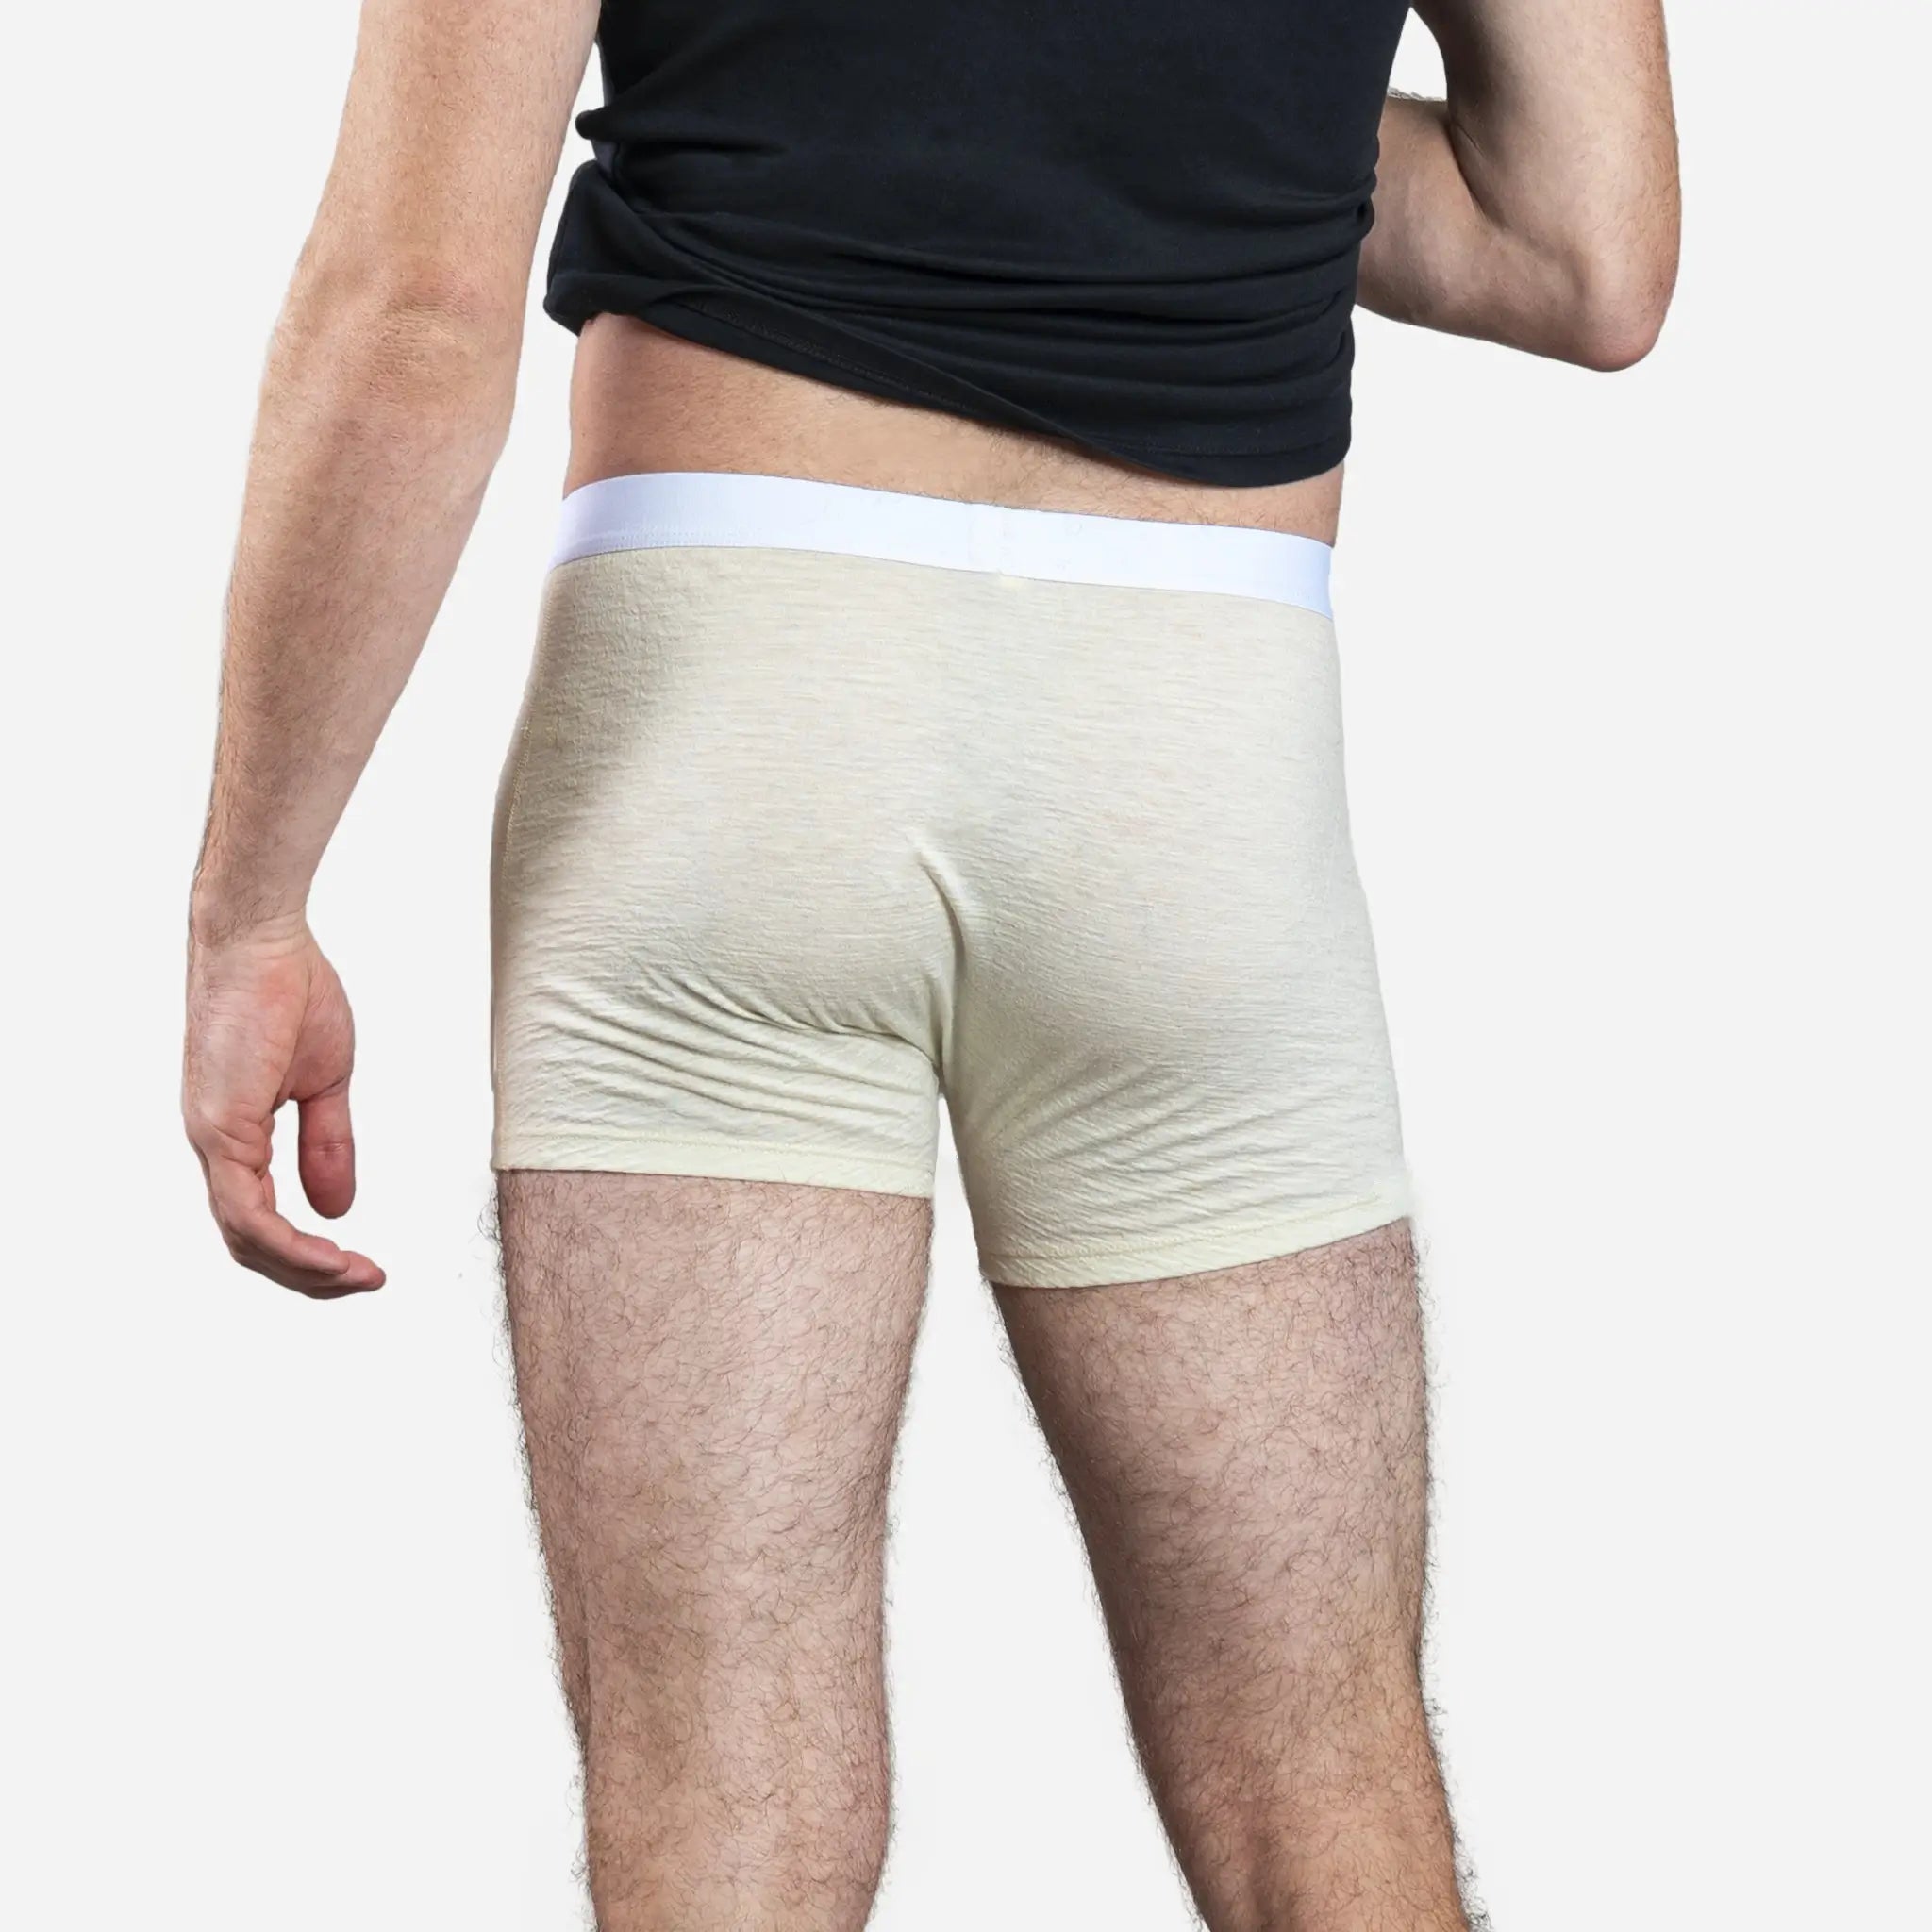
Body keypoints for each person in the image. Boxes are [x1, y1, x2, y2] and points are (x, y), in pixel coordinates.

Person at [181, 0, 1678, 1923]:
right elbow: (1579, 248)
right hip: (1190, 734)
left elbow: (412, 308)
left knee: (722, 1796)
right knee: (1317, 1779)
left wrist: (252, 907)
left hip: (725, 704)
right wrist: (1183, 99)